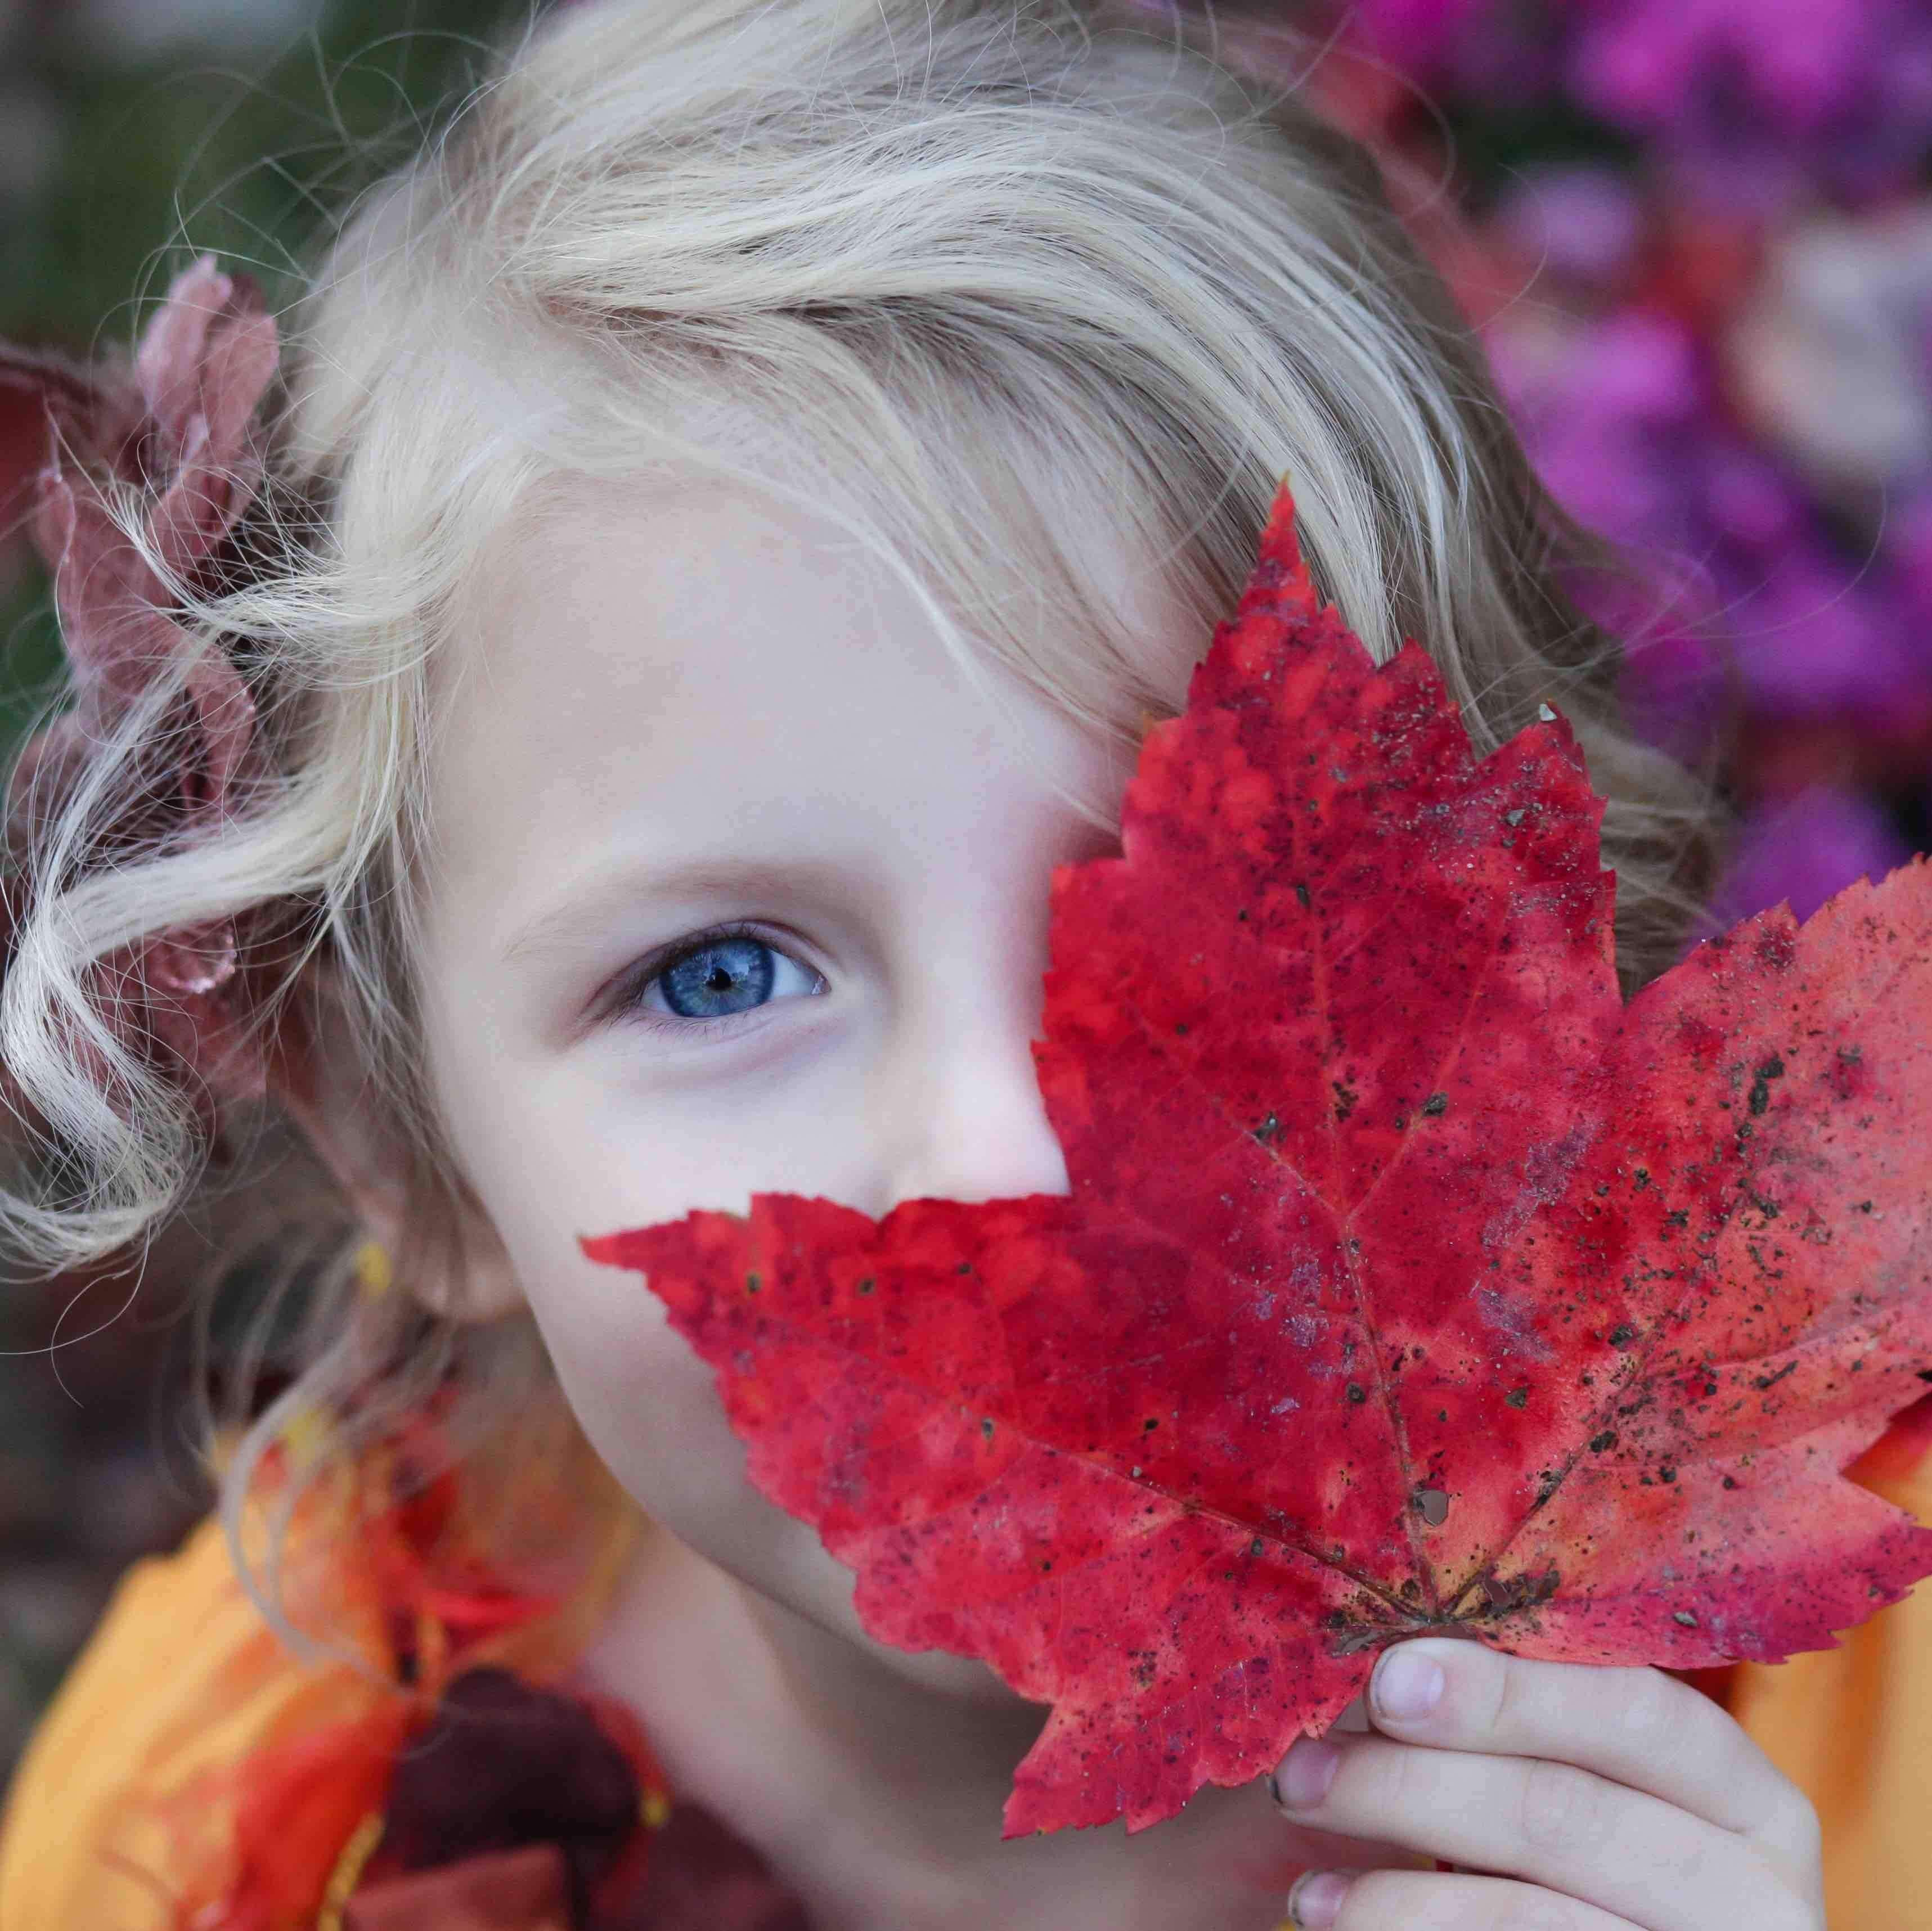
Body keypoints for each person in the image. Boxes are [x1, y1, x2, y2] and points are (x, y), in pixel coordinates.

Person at [0, 0, 1916, 1924]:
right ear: (400, 1146)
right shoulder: (225, 1837)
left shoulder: (1864, 1736)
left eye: (1219, 907)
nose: (1011, 1169)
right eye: (721, 976)